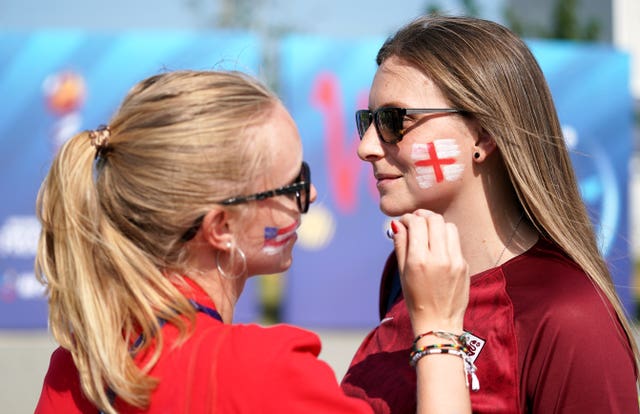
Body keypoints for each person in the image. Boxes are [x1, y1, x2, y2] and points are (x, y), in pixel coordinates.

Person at [34, 69, 474, 414]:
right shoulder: (259, 372)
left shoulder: (80, 363)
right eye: (293, 185)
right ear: (221, 227)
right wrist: (438, 330)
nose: (312, 195)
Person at [341, 15, 640, 414]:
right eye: (369, 120)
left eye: (395, 121)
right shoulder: (407, 270)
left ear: (482, 134)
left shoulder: (570, 314)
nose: (366, 147)